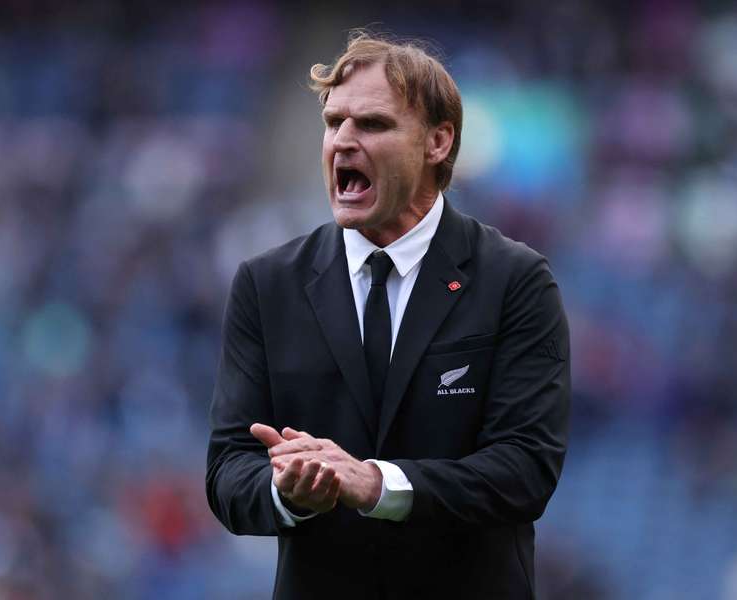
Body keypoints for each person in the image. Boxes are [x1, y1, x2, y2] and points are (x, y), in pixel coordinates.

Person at [206, 30, 570, 600]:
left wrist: (377, 484)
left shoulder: (514, 280)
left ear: (438, 142)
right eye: (333, 123)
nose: (343, 141)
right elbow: (228, 472)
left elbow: (525, 471)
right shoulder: (267, 283)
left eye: (372, 124)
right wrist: (289, 492)